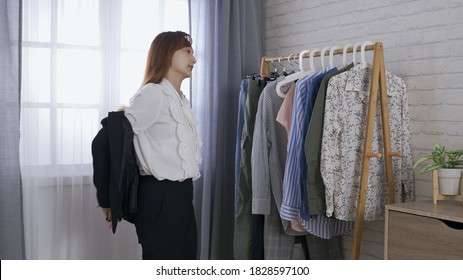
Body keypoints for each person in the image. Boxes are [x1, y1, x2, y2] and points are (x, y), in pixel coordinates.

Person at [122, 31, 201, 260]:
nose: (194, 59)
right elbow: (112, 137)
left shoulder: (180, 99)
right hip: (160, 197)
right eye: (187, 52)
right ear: (167, 54)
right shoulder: (153, 94)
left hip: (183, 196)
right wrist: (109, 198)